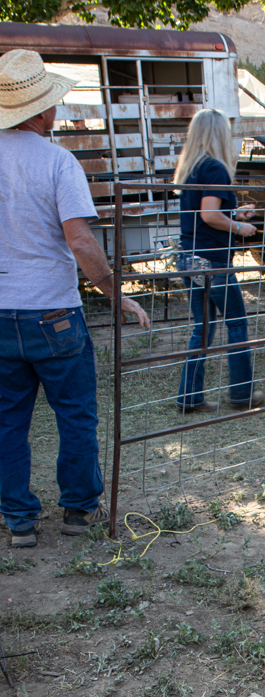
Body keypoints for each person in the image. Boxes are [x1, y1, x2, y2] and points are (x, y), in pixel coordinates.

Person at [0, 49, 150, 550]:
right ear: (40, 110)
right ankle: (78, 510)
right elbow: (81, 241)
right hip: (53, 312)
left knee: (7, 422)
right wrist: (114, 294)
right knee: (76, 415)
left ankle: (18, 519)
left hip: (2, 311)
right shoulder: (57, 162)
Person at [175, 108, 265, 413]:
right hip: (212, 261)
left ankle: (189, 396)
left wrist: (235, 214)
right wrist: (241, 227)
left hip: (189, 257)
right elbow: (209, 216)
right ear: (220, 134)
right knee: (237, 323)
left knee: (204, 327)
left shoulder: (192, 168)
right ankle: (241, 394)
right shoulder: (215, 168)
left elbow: (204, 216)